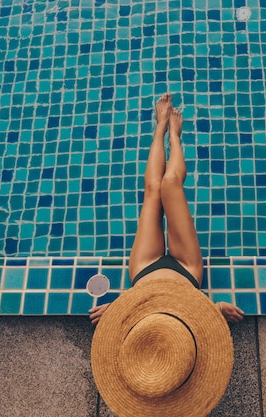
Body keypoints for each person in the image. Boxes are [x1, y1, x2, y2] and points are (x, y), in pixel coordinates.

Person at [89, 93, 244, 325]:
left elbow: (148, 319)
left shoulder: (143, 352)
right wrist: (217, 308)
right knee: (170, 183)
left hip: (144, 269)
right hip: (186, 271)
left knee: (153, 189)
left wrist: (118, 309)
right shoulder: (175, 349)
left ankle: (161, 127)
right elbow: (184, 319)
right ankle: (174, 138)